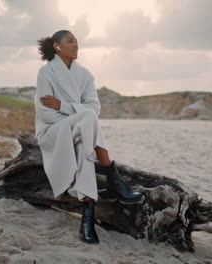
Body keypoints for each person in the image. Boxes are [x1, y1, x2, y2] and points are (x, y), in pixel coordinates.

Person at [35, 30, 143, 244]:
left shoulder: (85, 75)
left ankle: (87, 219)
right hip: (52, 131)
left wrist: (63, 106)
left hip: (79, 130)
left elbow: (95, 108)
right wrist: (73, 116)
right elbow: (46, 113)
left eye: (77, 42)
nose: (76, 45)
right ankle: (113, 178)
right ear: (57, 47)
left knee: (85, 143)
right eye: (70, 41)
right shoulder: (45, 73)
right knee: (86, 118)